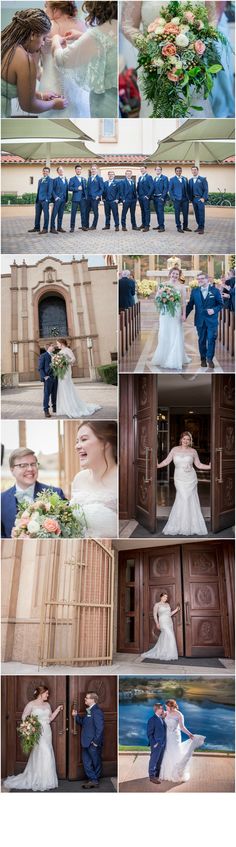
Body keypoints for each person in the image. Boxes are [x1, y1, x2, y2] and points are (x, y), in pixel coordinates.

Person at [52, 1, 118, 118]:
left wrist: (56, 41)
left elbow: (62, 59)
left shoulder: (97, 33)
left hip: (104, 104)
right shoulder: (115, 26)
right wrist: (82, 36)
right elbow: (105, 46)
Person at [1, 7, 67, 117]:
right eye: (44, 38)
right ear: (32, 35)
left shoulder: (3, 40)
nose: (43, 43)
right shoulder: (25, 60)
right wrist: (53, 104)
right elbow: (28, 106)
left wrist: (39, 95)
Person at [4, 685, 63, 792]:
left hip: (47, 732)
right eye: (46, 693)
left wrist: (58, 710)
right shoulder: (31, 704)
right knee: (42, 753)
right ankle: (38, 779)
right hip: (37, 733)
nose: (48, 695)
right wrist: (31, 726)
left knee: (48, 752)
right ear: (41, 694)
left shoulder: (47, 704)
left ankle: (47, 781)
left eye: (48, 693)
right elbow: (24, 717)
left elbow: (49, 719)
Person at [1, 447, 66, 538]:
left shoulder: (55, 494)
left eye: (33, 464)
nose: (30, 469)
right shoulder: (1, 500)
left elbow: (66, 532)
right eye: (23, 465)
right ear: (12, 470)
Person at [39, 1, 89, 118]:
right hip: (78, 90)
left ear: (55, 10)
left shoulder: (45, 27)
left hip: (50, 88)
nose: (44, 10)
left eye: (46, 6)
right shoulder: (83, 26)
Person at [157, 431, 210, 536]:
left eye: (188, 439)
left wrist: (209, 467)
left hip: (191, 478)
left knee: (189, 499)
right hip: (179, 478)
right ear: (181, 439)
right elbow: (167, 461)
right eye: (184, 439)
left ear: (190, 441)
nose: (186, 441)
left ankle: (191, 524)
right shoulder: (174, 450)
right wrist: (158, 465)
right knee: (183, 498)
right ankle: (179, 523)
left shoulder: (193, 451)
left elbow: (198, 465)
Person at [70, 421, 118, 537]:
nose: (77, 446)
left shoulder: (122, 479)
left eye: (84, 439)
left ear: (105, 443)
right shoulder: (79, 478)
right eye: (77, 442)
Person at [150, 267, 191, 371]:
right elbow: (156, 300)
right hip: (165, 313)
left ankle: (175, 358)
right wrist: (159, 294)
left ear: (179, 275)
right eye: (173, 274)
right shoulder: (163, 285)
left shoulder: (182, 287)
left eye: (177, 274)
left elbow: (183, 302)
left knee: (175, 333)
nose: (175, 276)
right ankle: (164, 356)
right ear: (170, 274)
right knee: (164, 333)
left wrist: (184, 314)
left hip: (176, 313)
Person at [160, 699, 205, 783]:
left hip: (175, 737)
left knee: (175, 751)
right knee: (167, 752)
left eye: (167, 706)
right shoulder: (166, 713)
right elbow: (161, 722)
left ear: (172, 706)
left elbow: (182, 727)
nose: (166, 707)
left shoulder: (179, 715)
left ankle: (177, 773)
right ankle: (165, 773)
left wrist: (190, 734)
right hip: (167, 736)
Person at [55, 338, 101, 418]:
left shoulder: (67, 350)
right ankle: (64, 407)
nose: (57, 345)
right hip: (61, 372)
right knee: (62, 388)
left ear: (61, 343)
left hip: (66, 371)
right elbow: (58, 361)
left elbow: (73, 359)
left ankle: (71, 407)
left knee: (67, 387)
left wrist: (65, 362)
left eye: (58, 343)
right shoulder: (60, 352)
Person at [186, 272, 223, 368]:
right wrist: (183, 316)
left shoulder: (215, 291)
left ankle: (209, 359)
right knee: (201, 340)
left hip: (212, 320)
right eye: (198, 279)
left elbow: (220, 304)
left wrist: (214, 310)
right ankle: (203, 359)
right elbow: (190, 305)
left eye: (202, 278)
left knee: (211, 339)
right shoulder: (194, 291)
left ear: (207, 279)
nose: (200, 280)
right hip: (200, 320)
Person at [72, 692, 104, 789]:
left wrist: (95, 742)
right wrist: (76, 716)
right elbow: (84, 722)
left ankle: (94, 780)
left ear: (93, 700)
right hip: (86, 742)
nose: (84, 699)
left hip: (93, 743)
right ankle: (93, 780)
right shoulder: (89, 710)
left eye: (86, 698)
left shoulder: (97, 711)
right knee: (86, 762)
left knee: (96, 762)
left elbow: (100, 728)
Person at [141, 592, 179, 661]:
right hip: (162, 622)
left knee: (165, 637)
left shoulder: (167, 604)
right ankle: (168, 653)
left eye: (166, 597)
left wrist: (176, 610)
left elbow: (169, 614)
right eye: (164, 597)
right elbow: (155, 615)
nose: (165, 598)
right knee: (170, 636)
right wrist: (157, 623)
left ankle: (166, 652)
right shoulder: (157, 605)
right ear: (161, 597)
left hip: (169, 622)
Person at [28, 166, 53, 235]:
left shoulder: (50, 180)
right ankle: (37, 227)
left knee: (46, 215)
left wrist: (47, 199)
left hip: (45, 200)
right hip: (38, 200)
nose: (45, 172)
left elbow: (50, 191)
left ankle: (45, 229)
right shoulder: (40, 180)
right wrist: (37, 200)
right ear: (43, 172)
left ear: (49, 173)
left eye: (47, 171)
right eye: (44, 171)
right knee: (37, 215)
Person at [147, 704, 166, 785]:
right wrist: (154, 743)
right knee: (153, 760)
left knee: (159, 760)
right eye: (161, 708)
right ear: (157, 709)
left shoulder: (161, 718)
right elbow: (149, 733)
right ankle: (152, 776)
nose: (162, 710)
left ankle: (157, 774)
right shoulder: (152, 719)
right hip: (156, 744)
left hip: (163, 743)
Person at [169, 167, 191, 233]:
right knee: (177, 213)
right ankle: (178, 227)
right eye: (177, 171)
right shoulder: (172, 179)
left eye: (180, 171)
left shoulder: (185, 178)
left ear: (181, 171)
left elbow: (188, 189)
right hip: (177, 199)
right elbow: (170, 190)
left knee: (185, 213)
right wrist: (173, 198)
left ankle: (185, 227)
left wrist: (188, 198)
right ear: (175, 172)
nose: (178, 172)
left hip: (185, 199)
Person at [38, 342, 58, 417]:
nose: (54, 348)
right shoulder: (43, 356)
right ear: (49, 347)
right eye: (53, 346)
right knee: (47, 394)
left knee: (54, 393)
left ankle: (54, 407)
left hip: (55, 377)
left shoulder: (55, 355)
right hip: (48, 378)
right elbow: (40, 368)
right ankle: (46, 410)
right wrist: (45, 377)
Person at [188, 166, 208, 234]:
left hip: (200, 199)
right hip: (194, 199)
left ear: (198, 170)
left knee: (201, 214)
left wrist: (203, 198)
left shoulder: (203, 179)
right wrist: (190, 199)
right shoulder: (190, 180)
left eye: (195, 170)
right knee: (196, 214)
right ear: (191, 171)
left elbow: (206, 190)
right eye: (192, 170)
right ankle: (199, 226)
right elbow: (189, 190)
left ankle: (201, 228)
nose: (194, 171)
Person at [69, 165, 88, 232]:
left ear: (81, 170)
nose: (79, 170)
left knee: (83, 213)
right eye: (77, 169)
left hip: (83, 199)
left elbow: (85, 189)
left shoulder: (84, 179)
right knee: (73, 213)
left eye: (80, 169)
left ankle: (83, 226)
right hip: (75, 199)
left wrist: (86, 197)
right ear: (75, 170)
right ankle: (72, 227)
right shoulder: (72, 179)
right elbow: (69, 188)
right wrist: (77, 188)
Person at [50, 166, 68, 233]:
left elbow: (66, 190)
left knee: (61, 214)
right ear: (57, 172)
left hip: (63, 200)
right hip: (57, 200)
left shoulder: (66, 180)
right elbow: (52, 190)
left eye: (62, 170)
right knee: (54, 214)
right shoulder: (55, 180)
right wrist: (55, 197)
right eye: (60, 170)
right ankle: (52, 228)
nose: (61, 171)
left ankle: (59, 227)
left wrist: (66, 199)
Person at [86, 165, 104, 230]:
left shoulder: (100, 178)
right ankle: (86, 225)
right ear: (91, 170)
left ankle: (94, 226)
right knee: (86, 212)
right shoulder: (89, 178)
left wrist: (98, 196)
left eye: (94, 169)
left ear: (97, 170)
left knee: (95, 212)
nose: (93, 170)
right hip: (88, 198)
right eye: (92, 169)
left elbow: (102, 189)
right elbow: (88, 188)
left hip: (95, 198)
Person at [152, 166, 169, 232]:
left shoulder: (164, 178)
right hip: (155, 197)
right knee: (157, 212)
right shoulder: (155, 178)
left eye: (159, 169)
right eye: (156, 169)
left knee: (160, 212)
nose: (158, 170)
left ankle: (162, 227)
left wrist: (162, 197)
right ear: (155, 170)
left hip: (160, 198)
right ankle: (159, 225)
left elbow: (166, 188)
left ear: (161, 170)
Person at [137, 166, 154, 232]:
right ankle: (143, 224)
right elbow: (138, 187)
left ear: (146, 169)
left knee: (147, 211)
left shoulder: (149, 177)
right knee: (142, 211)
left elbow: (152, 187)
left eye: (143, 169)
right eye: (141, 169)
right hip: (140, 197)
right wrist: (138, 195)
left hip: (146, 197)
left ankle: (147, 226)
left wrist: (148, 196)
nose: (142, 170)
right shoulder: (140, 178)